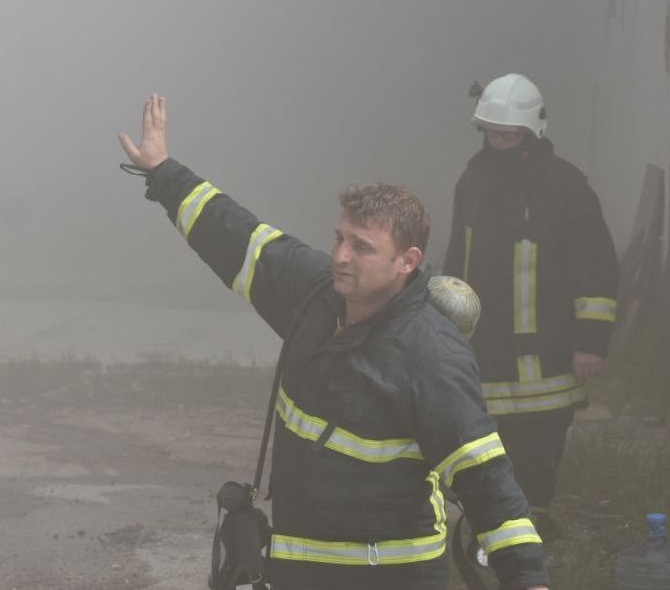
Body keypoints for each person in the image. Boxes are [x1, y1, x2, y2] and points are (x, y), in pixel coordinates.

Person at [118, 94, 548, 590]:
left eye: (362, 247)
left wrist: (528, 579)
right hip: (299, 568)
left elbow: (484, 476)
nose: (341, 256)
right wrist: (163, 172)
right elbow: (236, 236)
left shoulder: (430, 355)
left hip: (391, 575)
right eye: (339, 238)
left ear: (407, 261)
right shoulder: (317, 292)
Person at [443, 73, 619, 535]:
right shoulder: (472, 181)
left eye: (507, 134)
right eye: (491, 132)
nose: (497, 142)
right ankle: (494, 528)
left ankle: (532, 532)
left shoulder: (565, 186)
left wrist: (591, 343)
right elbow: (455, 261)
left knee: (539, 451)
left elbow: (596, 268)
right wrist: (443, 330)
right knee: (486, 447)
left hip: (550, 357)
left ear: (531, 132)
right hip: (485, 352)